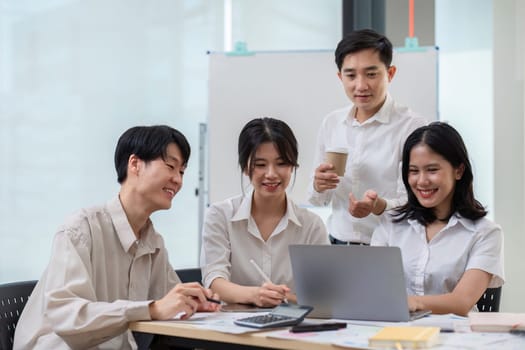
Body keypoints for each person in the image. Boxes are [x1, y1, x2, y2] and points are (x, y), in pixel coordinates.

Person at [13, 125, 220, 350]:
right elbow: (66, 315)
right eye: (171, 166)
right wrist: (151, 309)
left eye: (182, 172)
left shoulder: (153, 243)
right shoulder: (81, 229)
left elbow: (168, 300)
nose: (178, 180)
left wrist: (194, 303)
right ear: (135, 164)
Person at [308, 28, 427, 245]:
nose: (361, 85)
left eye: (371, 74)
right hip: (337, 244)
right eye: (351, 75)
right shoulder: (332, 123)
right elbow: (318, 200)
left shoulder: (411, 126)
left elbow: (418, 201)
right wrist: (319, 185)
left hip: (391, 246)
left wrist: (378, 206)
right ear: (340, 76)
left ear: (390, 74)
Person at [371, 122, 504, 316]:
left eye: (432, 170)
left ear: (459, 171)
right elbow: (372, 289)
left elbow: (461, 302)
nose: (422, 181)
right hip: (395, 333)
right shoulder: (390, 224)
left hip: (456, 338)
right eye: (414, 171)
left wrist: (410, 302)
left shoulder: (485, 233)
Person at [201, 117, 329, 307]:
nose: (271, 174)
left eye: (282, 163)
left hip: (293, 329)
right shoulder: (220, 215)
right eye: (260, 165)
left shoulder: (311, 225)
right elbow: (214, 281)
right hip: (232, 328)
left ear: (293, 166)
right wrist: (254, 295)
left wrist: (281, 299)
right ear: (245, 167)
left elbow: (323, 294)